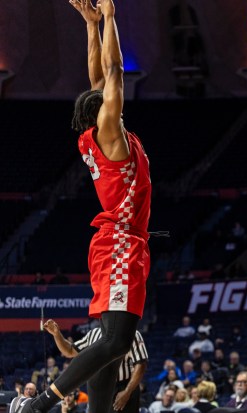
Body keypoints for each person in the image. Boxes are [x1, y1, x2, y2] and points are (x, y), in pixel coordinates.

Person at [24, 2, 151, 413]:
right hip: (118, 243)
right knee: (116, 341)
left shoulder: (102, 133)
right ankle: (41, 403)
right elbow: (113, 73)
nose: (112, 97)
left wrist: (91, 27)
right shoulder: (111, 134)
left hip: (117, 242)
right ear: (103, 112)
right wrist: (112, 17)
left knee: (113, 349)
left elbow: (99, 76)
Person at [43, 319, 148, 413]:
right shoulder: (94, 334)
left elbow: (141, 364)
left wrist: (127, 392)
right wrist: (57, 335)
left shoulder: (132, 334)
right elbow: (70, 351)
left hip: (123, 387)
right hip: (98, 385)